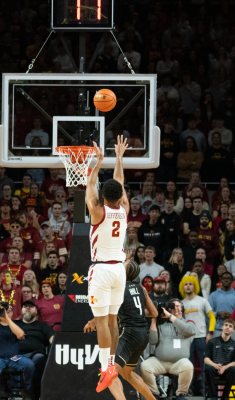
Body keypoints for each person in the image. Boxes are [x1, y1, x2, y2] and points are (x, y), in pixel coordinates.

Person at [85, 136, 130, 391]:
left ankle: (105, 368)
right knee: (112, 321)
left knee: (102, 321)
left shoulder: (97, 211)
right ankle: (111, 364)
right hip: (118, 270)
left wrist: (97, 162)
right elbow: (120, 183)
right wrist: (119, 158)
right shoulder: (123, 209)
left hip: (101, 269)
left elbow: (89, 186)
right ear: (120, 196)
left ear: (103, 195)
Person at [85, 260, 158, 400]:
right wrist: (136, 312)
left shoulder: (118, 288)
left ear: (123, 272)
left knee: (109, 373)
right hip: (143, 334)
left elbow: (106, 311)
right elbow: (154, 313)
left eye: (122, 264)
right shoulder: (141, 288)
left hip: (129, 333)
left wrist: (92, 321)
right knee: (126, 373)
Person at [140, 298, 196, 400]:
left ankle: (181, 395)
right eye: (173, 306)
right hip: (160, 361)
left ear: (182, 308)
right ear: (168, 309)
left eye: (178, 306)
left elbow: (189, 331)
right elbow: (152, 341)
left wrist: (170, 316)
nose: (175, 308)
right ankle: (154, 394)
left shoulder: (189, 321)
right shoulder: (161, 324)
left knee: (188, 366)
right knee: (144, 366)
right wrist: (153, 321)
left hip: (179, 363)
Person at [180, 275, 215, 395]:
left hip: (201, 336)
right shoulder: (181, 303)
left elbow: (212, 317)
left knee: (204, 364)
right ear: (182, 287)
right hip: (186, 338)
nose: (188, 286)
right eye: (186, 284)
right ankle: (188, 389)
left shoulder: (202, 301)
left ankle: (205, 389)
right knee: (188, 366)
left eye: (190, 284)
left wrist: (210, 333)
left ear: (195, 285)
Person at [16, 299, 54, 400]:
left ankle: (33, 393)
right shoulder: (15, 324)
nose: (27, 308)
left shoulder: (42, 325)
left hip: (35, 355)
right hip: (15, 355)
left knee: (40, 359)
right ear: (21, 310)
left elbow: (52, 339)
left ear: (36, 311)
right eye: (25, 306)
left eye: (31, 306)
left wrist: (56, 341)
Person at [204, 319, 235, 400]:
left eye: (230, 326)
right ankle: (214, 395)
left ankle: (225, 396)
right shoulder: (212, 342)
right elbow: (206, 359)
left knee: (233, 370)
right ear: (222, 327)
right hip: (214, 367)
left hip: (226, 369)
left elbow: (234, 362)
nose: (227, 327)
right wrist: (215, 365)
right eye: (226, 325)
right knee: (208, 368)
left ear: (233, 330)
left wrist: (224, 367)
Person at [209, 272, 235, 337]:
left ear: (232, 280)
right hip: (217, 329)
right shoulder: (213, 295)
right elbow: (208, 313)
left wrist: (232, 316)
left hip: (233, 329)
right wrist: (218, 313)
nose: (226, 280)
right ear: (221, 280)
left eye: (228, 278)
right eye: (224, 278)